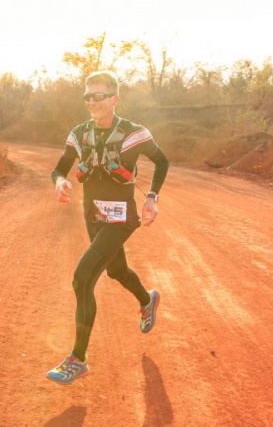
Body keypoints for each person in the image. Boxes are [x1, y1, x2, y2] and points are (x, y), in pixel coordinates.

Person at [47, 70, 170, 385]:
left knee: (82, 279)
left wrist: (152, 198)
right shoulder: (79, 134)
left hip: (121, 218)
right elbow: (60, 167)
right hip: (93, 214)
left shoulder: (135, 133)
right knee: (116, 271)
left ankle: (78, 358)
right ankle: (147, 299)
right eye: (87, 96)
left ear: (115, 99)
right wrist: (60, 181)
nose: (92, 102)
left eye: (98, 96)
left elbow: (162, 161)